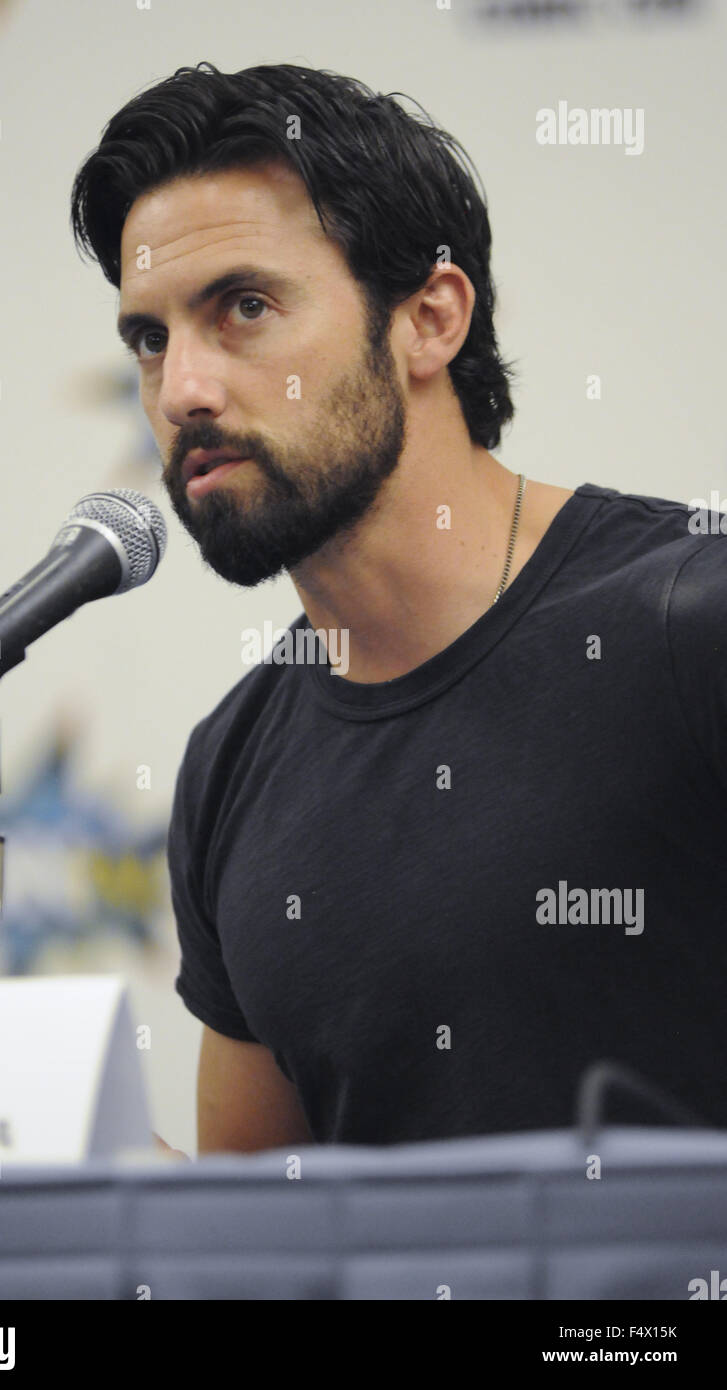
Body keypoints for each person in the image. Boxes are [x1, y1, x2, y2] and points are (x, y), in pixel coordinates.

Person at [71, 62, 727, 1154]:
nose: (181, 388)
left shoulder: (688, 624)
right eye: (149, 338)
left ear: (428, 319)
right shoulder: (230, 764)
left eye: (242, 307)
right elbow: (265, 1250)